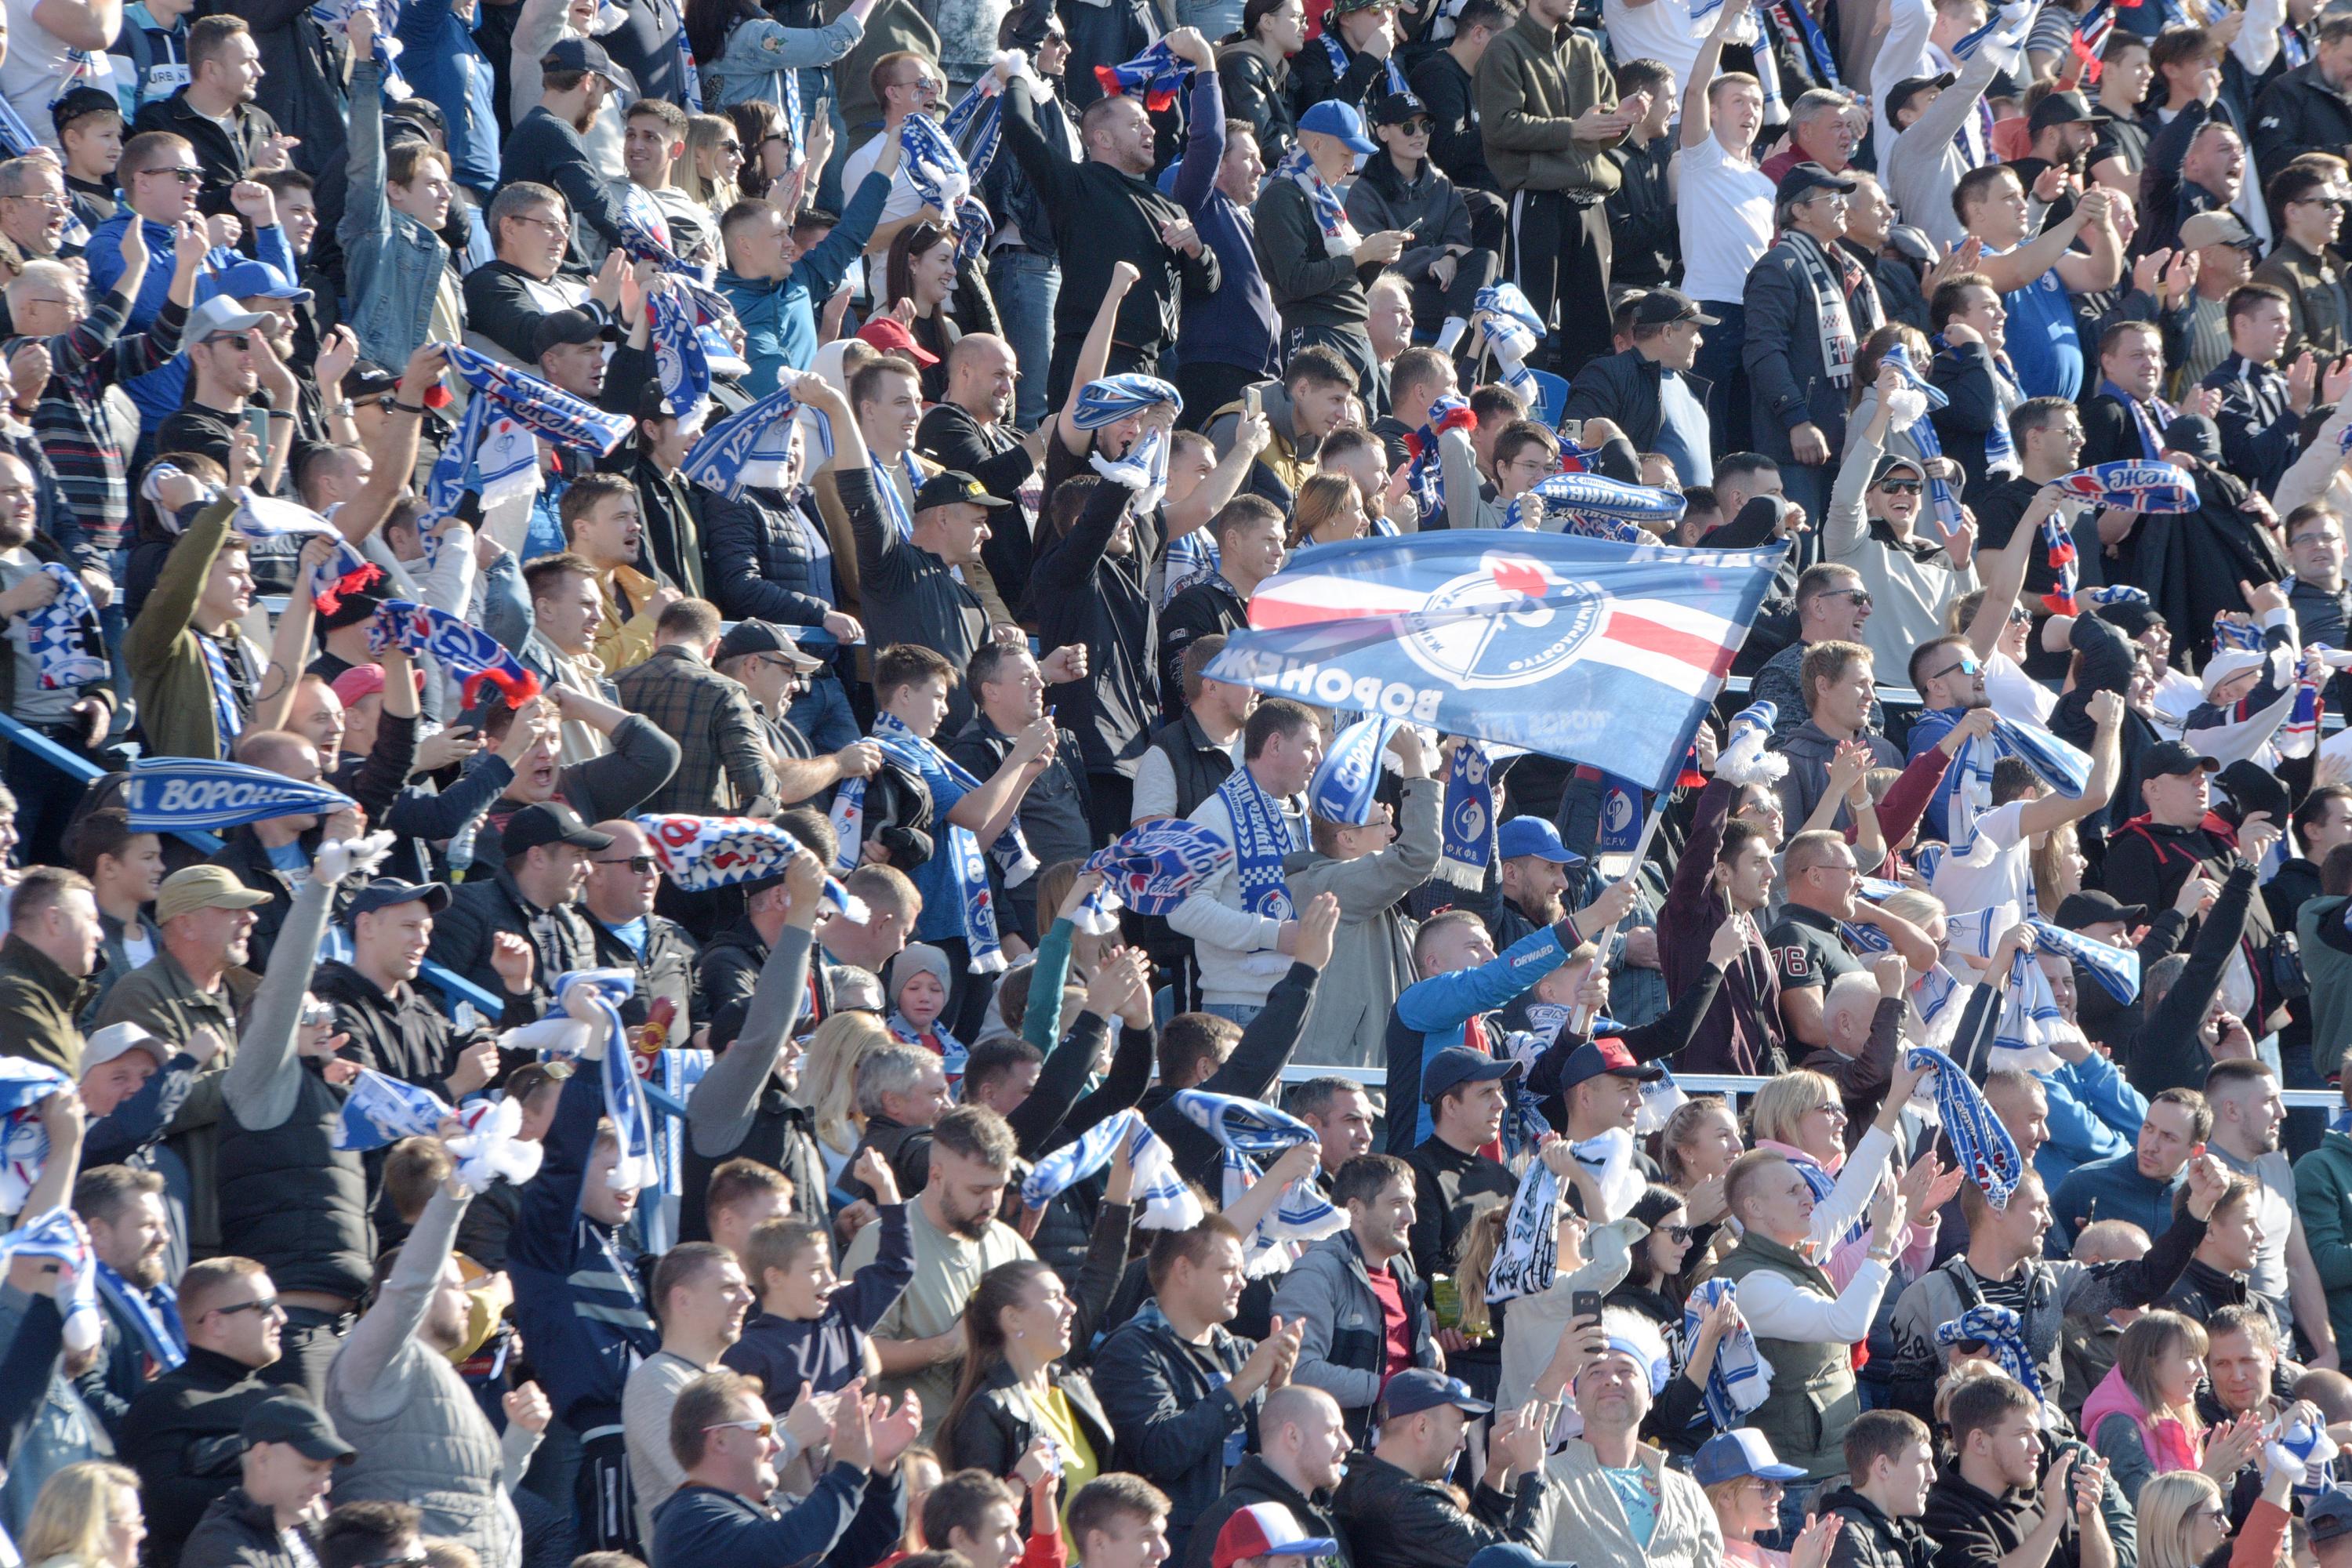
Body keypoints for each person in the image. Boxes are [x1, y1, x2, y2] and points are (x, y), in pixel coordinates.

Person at [1886, 1156, 2227, 1417]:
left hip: (2044, 1451)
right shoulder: (1926, 1296)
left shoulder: (2056, 1282)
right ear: (1997, 1208)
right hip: (1964, 1470)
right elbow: (1901, 1399)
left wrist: (2198, 1207)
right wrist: (1952, 1377)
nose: (2050, 1221)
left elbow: (2145, 1280)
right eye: (2038, 1208)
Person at [996, 29, 1222, 407]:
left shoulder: (1169, 206)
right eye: (1136, 124)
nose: (1150, 129)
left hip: (1152, 366)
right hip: (1091, 357)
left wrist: (1199, 251)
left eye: (1147, 123)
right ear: (1101, 138)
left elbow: (1207, 287)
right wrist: (1017, 76)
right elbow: (1021, 129)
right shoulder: (1076, 186)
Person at [326, 1165, 532, 1568]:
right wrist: (453, 1192)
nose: (470, 1300)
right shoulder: (370, 1366)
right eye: (458, 1288)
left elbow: (482, 1499)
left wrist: (523, 1439)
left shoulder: (443, 1376)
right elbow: (410, 1285)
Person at [1095, 1220, 1305, 1560]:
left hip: (1241, 1547)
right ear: (1184, 1270)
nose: (1241, 1282)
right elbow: (1161, 1451)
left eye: (1241, 1270)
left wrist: (1280, 1386)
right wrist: (1243, 1385)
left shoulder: (1240, 1352)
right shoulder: (1130, 1351)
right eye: (1227, 1270)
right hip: (1173, 1551)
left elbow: (1274, 1459)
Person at [840, 1104, 1033, 1443]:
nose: (991, 1203)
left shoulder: (1007, 1243)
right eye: (977, 1190)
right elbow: (853, 1352)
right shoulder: (882, 1241)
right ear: (936, 1175)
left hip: (992, 1450)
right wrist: (949, 1345)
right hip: (916, 1457)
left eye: (998, 1187)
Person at [1473, 0, 1641, 375]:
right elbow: (1499, 126)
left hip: (1591, 203)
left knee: (1594, 328)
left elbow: (1602, 131)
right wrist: (1573, 128)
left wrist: (1624, 119)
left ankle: (1584, 424)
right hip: (1537, 200)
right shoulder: (1505, 47)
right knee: (1524, 325)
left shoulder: (1585, 46)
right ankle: (1517, 423)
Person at [649, 1368, 919, 1568]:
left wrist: (880, 1467)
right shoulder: (688, 1522)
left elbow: (864, 1547)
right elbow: (784, 1553)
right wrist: (849, 1470)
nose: (777, 1444)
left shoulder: (779, 1505)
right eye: (764, 1430)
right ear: (719, 1439)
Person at [120, 1258, 292, 1563]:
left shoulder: (282, 1399)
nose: (281, 1317)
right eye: (265, 1307)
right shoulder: (166, 1402)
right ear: (216, 1323)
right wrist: (267, 1483)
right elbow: (158, 1506)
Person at [1744, 162, 1884, 524]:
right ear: (1800, 211)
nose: (1842, 205)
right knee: (1802, 554)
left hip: (1848, 440)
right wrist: (1797, 421)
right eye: (1831, 197)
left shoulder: (1849, 268)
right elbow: (1763, 352)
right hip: (1798, 446)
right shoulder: (1778, 267)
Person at [1170, 698, 1322, 1025]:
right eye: (1310, 746)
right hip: (1239, 1009)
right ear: (1276, 745)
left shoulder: (1304, 813)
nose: (1318, 760)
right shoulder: (1214, 816)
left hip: (1299, 998)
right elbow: (1181, 909)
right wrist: (1273, 934)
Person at [1270, 1153, 1441, 1443]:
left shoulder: (1406, 1277)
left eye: (1410, 1203)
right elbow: (1299, 1372)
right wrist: (1388, 1387)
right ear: (1355, 1210)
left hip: (1403, 1452)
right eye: (1397, 1204)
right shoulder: (1316, 1273)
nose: (1411, 1216)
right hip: (1340, 1459)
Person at [1330, 1369, 1550, 1568]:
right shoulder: (1407, 1506)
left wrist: (1496, 1470)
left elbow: (1475, 1551)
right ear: (1422, 1427)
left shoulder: (1369, 1482)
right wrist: (1533, 1473)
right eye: (1457, 1428)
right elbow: (1522, 1564)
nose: (1462, 1444)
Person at [1541, 1330, 1724, 1568]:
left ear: (1650, 1395)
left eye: (1625, 1370)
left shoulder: (1688, 1494)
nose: (1612, 1380)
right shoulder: (1547, 1478)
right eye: (1596, 1372)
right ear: (1574, 1398)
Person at [622, 1243, 761, 1544]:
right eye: (728, 1287)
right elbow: (701, 1482)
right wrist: (796, 1435)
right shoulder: (654, 1381)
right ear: (682, 1300)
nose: (747, 1297)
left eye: (745, 1287)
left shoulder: (727, 1377)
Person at [1922, 1373, 2117, 1568]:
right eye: (2023, 1434)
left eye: (2036, 1433)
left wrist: (2089, 1515)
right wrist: (2053, 1519)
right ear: (1979, 1442)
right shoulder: (1940, 1515)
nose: (2038, 1447)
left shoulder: (2043, 1503)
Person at [614, 597, 783, 817]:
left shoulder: (615, 683)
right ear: (714, 647)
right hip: (698, 839)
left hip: (628, 838)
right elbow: (756, 785)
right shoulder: (725, 691)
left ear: (655, 638)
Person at [499, 37, 637, 270]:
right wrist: (644, 248)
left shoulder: (531, 127)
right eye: (605, 89)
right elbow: (595, 200)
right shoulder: (553, 129)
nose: (602, 103)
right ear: (589, 81)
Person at [1181, 1385, 1353, 1568]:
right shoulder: (1231, 1518)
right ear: (1293, 1436)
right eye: (1332, 1431)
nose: (1347, 1443)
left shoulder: (1328, 1515)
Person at [1559, 288, 1716, 488]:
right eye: (1694, 332)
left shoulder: (1691, 386)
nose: (1700, 342)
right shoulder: (1608, 374)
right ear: (1667, 333)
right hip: (1638, 515)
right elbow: (1573, 442)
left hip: (1697, 515)